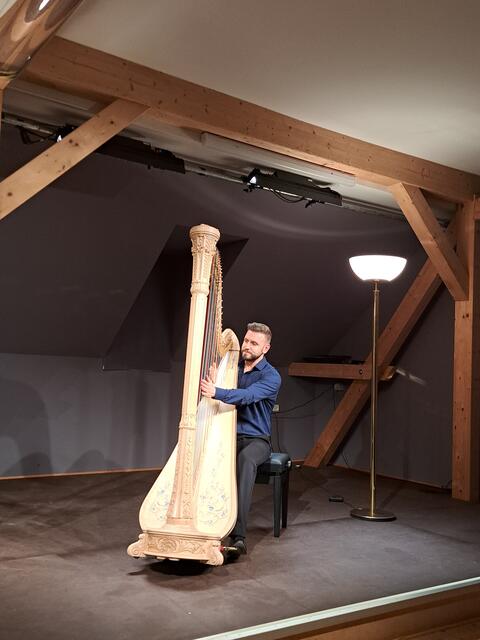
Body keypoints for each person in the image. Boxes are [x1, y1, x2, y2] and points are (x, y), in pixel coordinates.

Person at [200, 322, 281, 555]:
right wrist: (216, 381)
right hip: (228, 436)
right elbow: (219, 396)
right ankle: (205, 524)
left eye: (254, 343)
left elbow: (247, 396)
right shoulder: (232, 370)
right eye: (246, 340)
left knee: (245, 460)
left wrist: (217, 391)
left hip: (257, 440)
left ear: (265, 348)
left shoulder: (271, 376)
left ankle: (238, 537)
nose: (247, 346)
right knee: (204, 457)